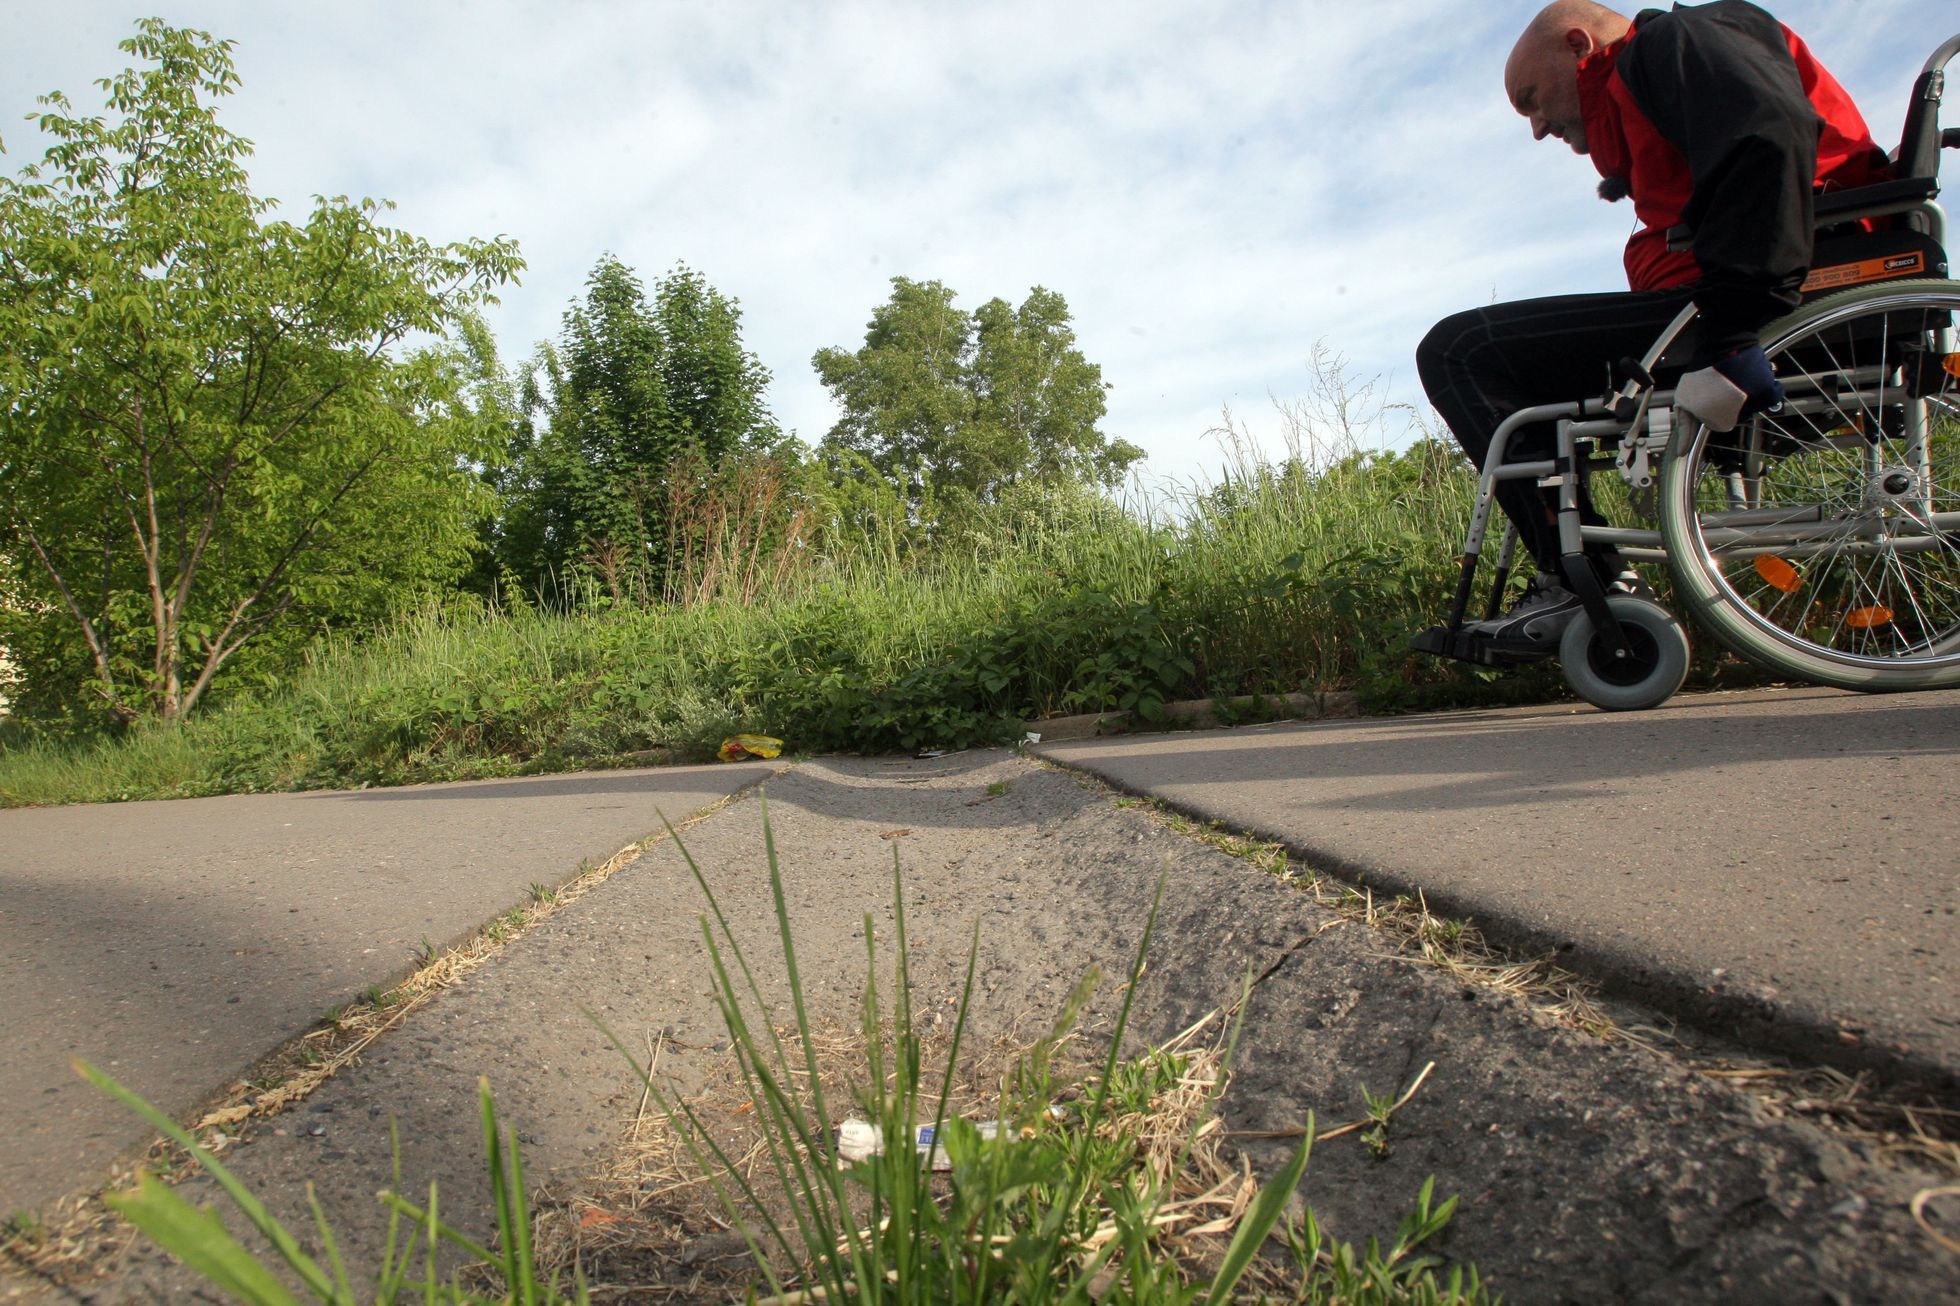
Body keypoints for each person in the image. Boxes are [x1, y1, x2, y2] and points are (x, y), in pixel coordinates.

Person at [1416, 0, 1890, 643]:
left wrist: (1734, 329)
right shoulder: (1668, 72)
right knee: (1525, 370)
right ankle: (1584, 574)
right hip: (1754, 291)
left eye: (1530, 99)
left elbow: (1767, 131)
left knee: (1461, 350)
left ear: (1579, 46)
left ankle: (1583, 584)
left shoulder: (1673, 44)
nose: (1534, 126)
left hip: (1774, 296)